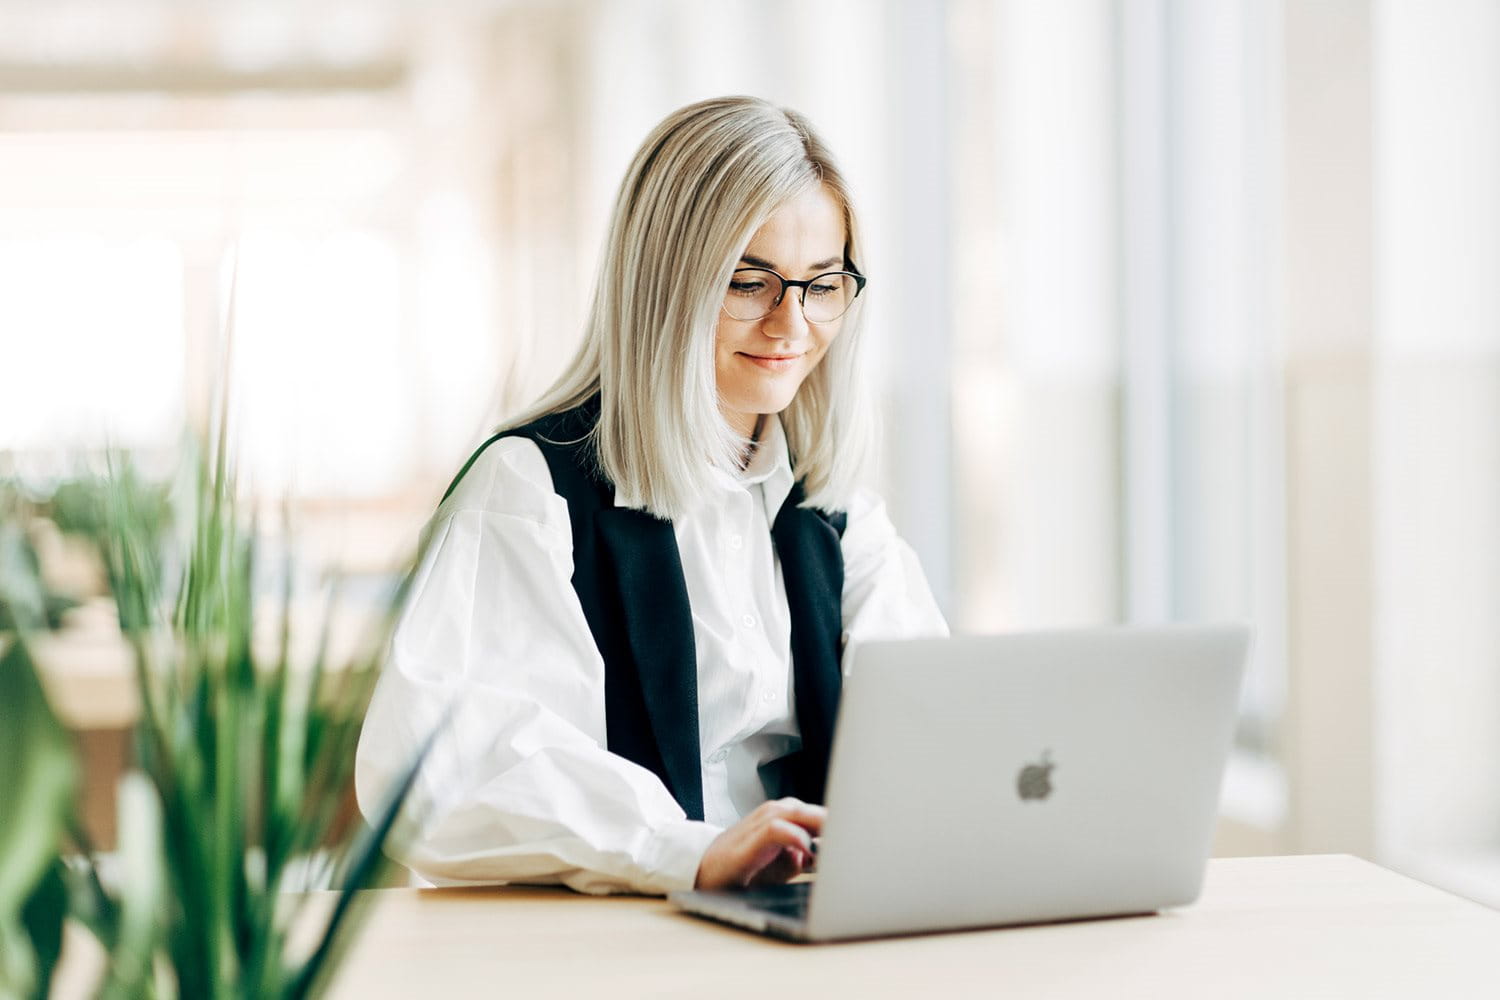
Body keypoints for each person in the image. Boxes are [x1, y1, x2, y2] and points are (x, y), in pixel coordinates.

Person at [355, 96, 947, 896]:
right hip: (621, 938)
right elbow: (447, 762)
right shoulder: (533, 490)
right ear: (665, 282)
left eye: (822, 284)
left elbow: (933, 730)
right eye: (749, 281)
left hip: (801, 924)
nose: (792, 325)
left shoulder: (836, 515)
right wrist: (684, 851)